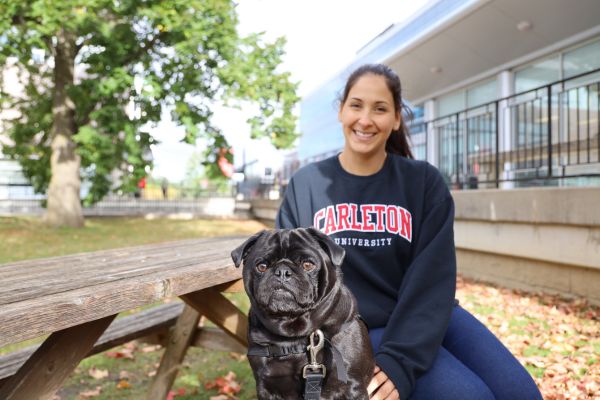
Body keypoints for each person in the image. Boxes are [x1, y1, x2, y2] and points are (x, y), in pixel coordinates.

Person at [275, 64, 542, 400]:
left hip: (427, 315)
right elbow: (288, 284)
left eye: (380, 108)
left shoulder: (423, 182)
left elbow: (433, 277)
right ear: (342, 111)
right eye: (356, 105)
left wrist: (400, 357)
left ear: (396, 119)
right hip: (351, 328)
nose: (366, 119)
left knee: (522, 393)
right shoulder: (307, 185)